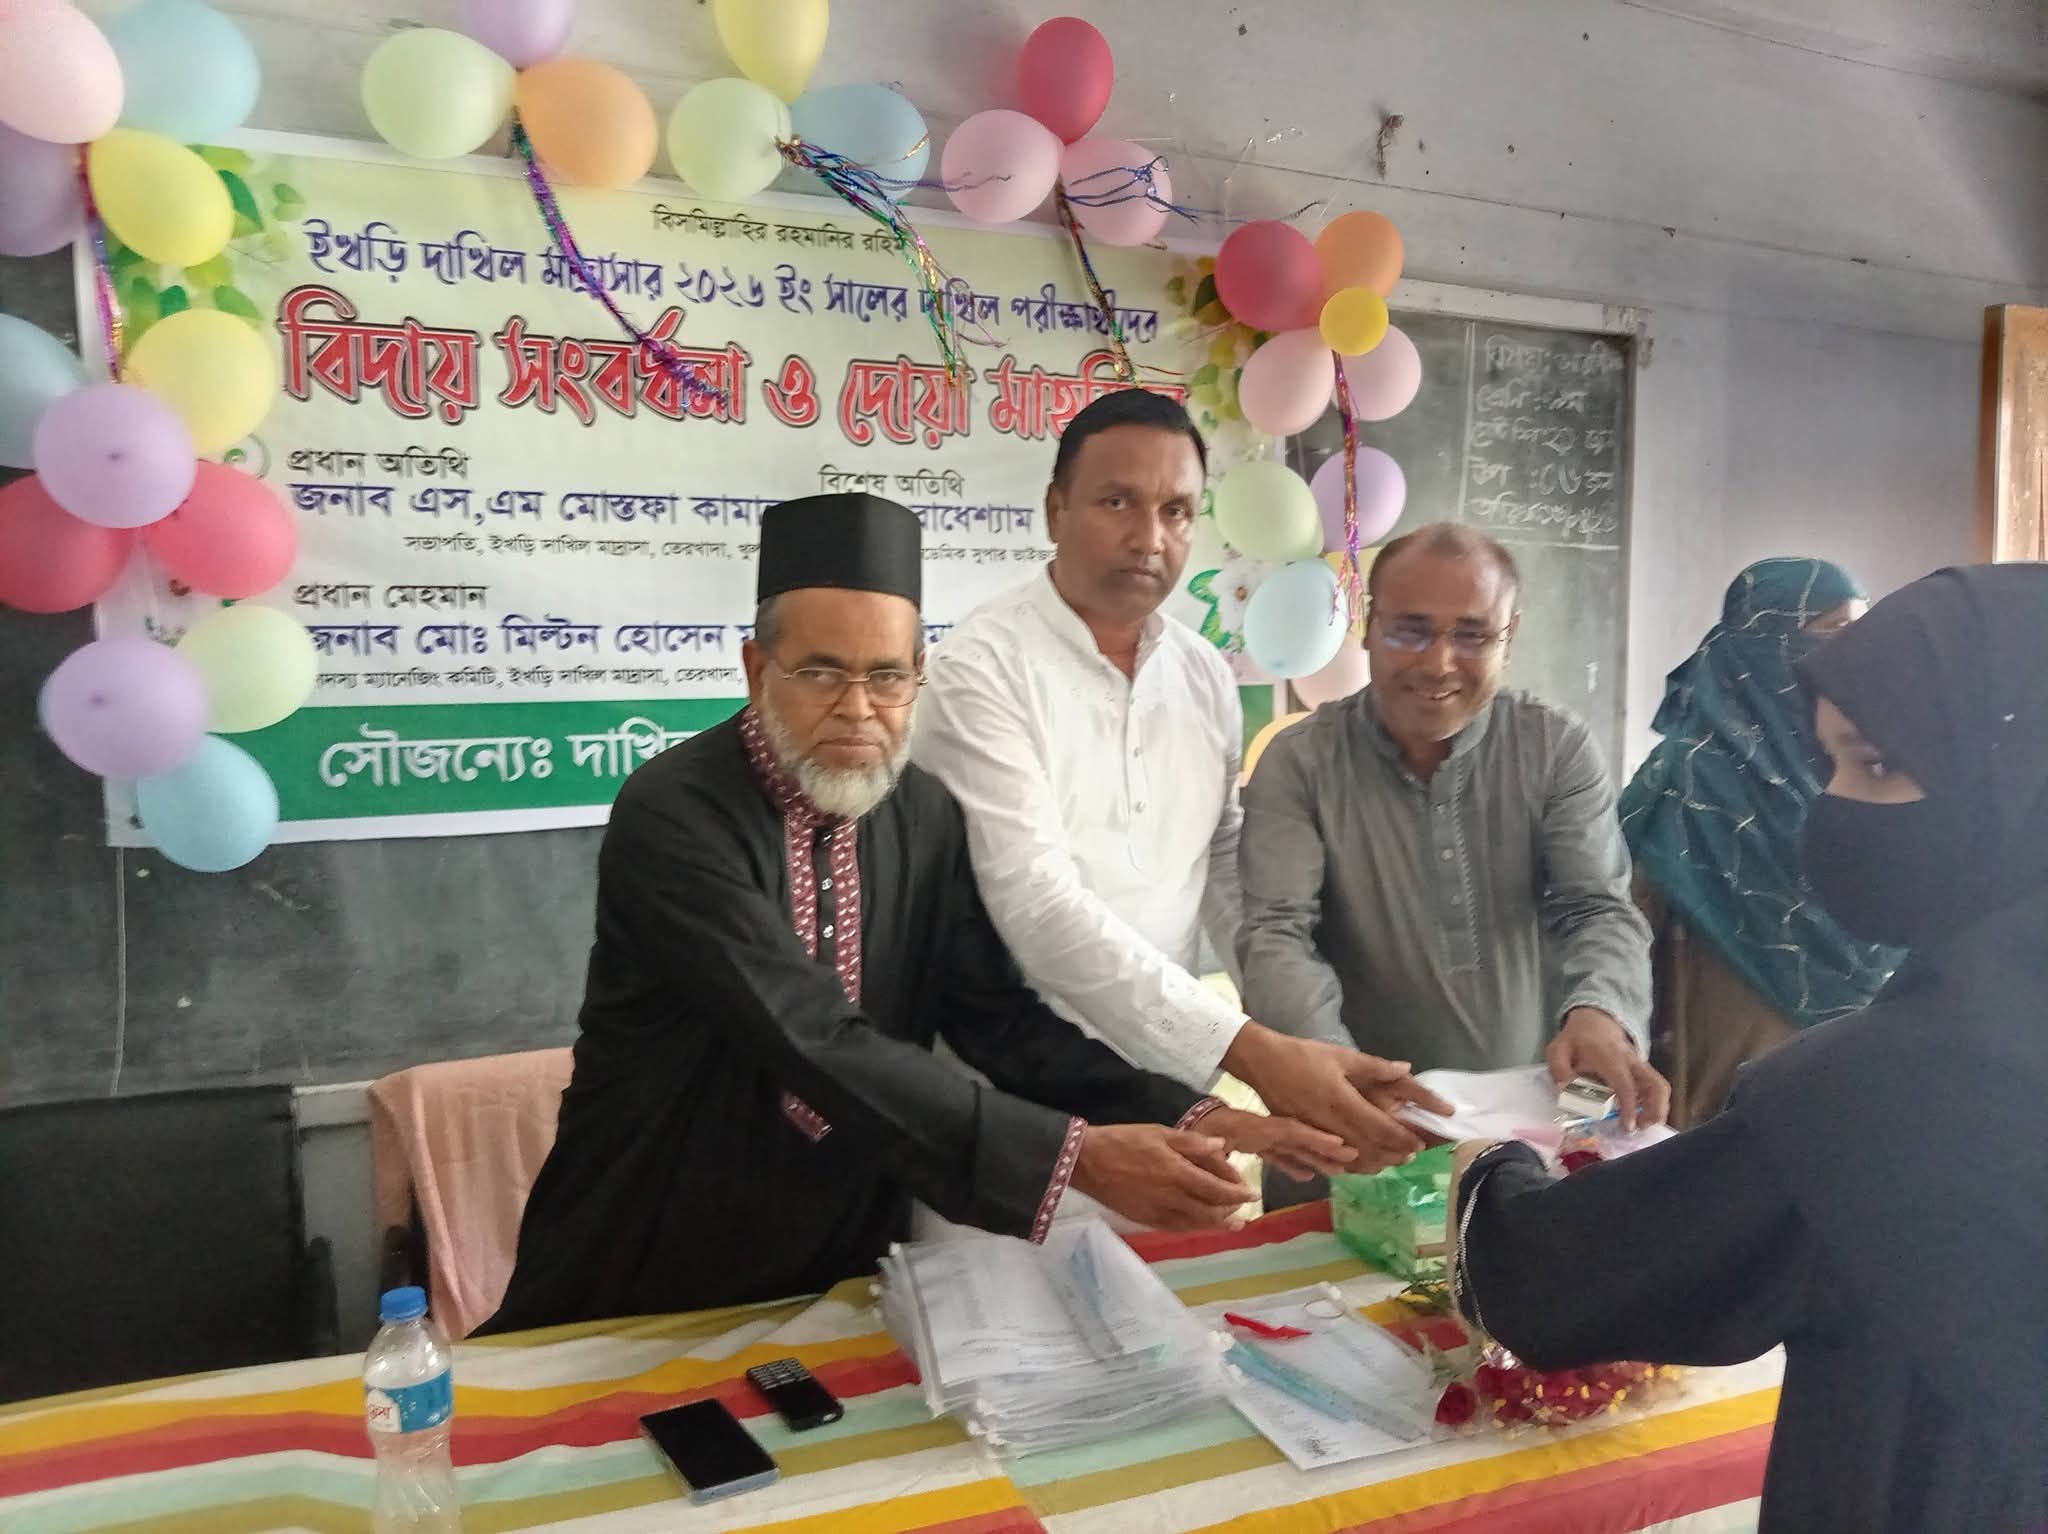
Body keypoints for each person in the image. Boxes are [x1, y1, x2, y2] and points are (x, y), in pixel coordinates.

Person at [487, 494, 1347, 1330]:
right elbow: (813, 1037)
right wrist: (1073, 1157)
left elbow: (995, 1020)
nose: (858, 708)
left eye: (887, 676)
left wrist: (1188, 1112)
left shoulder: (922, 813)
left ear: (916, 678)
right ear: (757, 670)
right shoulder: (676, 814)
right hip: (651, 1245)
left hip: (843, 1255)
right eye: (821, 672)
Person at [1448, 563, 2048, 1534]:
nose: (1833, 808)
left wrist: (1488, 1177)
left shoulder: (1878, 1103)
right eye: (1832, 763)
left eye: (1877, 765)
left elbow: (1556, 1279)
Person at [915, 390, 1449, 1182]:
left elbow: (1221, 858)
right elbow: (1036, 906)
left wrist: (1302, 1037)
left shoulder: (1201, 671)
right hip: (1016, 1100)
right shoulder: (980, 668)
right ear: (1056, 510)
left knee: (1176, 1263)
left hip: (1171, 1089)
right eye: (1117, 502)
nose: (1149, 538)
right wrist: (1255, 1053)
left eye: (1176, 511)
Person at [1238, 522, 1666, 1180]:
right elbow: (1277, 935)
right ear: (1367, 626)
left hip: (1536, 1122)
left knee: (1558, 1231)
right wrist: (1333, 1074)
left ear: (1509, 638)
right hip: (1351, 1125)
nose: (1438, 662)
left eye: (1471, 636)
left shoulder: (1555, 748)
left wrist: (1601, 1013)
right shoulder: (1299, 762)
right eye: (1410, 630)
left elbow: (1596, 909)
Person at [1620, 557, 1900, 1125]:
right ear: (1763, 646)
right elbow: (1614, 929)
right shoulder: (1686, 778)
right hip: (1719, 1059)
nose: (1856, 655)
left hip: (1854, 1078)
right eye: (1836, 631)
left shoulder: (1863, 768)